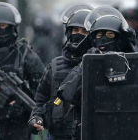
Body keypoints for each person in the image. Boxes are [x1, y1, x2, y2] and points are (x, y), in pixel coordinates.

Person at [56, 5, 138, 140]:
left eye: (110, 35)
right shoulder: (87, 62)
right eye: (99, 35)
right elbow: (66, 94)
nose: (104, 39)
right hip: (93, 131)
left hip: (127, 131)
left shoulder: (132, 64)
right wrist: (88, 64)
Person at [28, 3, 93, 140]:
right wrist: (36, 119)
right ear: (68, 32)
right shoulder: (55, 67)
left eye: (84, 31)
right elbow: (40, 102)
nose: (79, 34)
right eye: (75, 30)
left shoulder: (99, 66)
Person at [0, 2, 44, 140]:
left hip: (16, 127)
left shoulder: (24, 55)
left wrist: (21, 108)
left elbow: (43, 91)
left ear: (13, 28)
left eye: (3, 26)